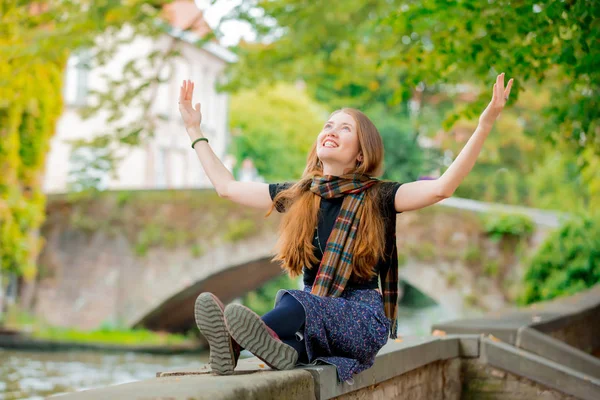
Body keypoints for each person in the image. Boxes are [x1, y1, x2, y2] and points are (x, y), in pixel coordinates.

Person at [178, 74, 514, 381]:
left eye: (345, 129)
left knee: (294, 302)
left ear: (359, 155)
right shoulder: (299, 195)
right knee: (293, 341)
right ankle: (249, 347)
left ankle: (232, 343)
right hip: (311, 320)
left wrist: (484, 124)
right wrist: (195, 130)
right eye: (328, 125)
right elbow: (227, 187)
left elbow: (442, 187)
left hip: (360, 319)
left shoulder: (379, 196)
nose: (332, 131)